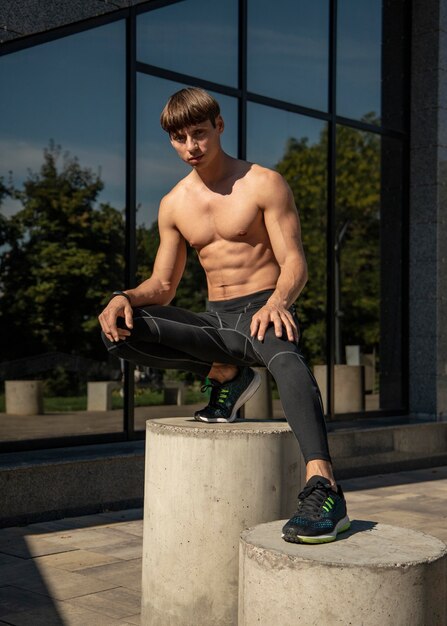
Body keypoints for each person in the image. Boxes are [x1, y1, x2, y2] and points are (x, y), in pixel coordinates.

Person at [98, 87, 350, 544]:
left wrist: (278, 302)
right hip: (216, 322)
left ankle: (324, 488)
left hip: (263, 314)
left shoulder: (263, 183)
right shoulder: (174, 204)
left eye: (199, 133)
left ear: (219, 126)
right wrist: (124, 297)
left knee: (288, 362)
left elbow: (295, 261)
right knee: (121, 332)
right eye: (179, 139)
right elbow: (163, 286)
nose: (191, 147)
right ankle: (226, 373)